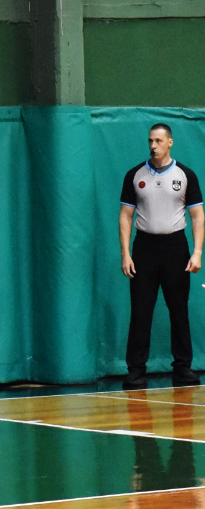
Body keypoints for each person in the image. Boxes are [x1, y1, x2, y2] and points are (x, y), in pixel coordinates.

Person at [119, 123, 203, 389]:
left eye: (158, 141)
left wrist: (197, 251)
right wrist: (126, 253)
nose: (153, 145)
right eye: (150, 141)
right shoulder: (135, 175)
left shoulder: (185, 175)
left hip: (176, 248)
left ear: (170, 143)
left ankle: (183, 369)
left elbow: (197, 215)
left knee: (178, 310)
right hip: (143, 248)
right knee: (141, 311)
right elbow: (126, 216)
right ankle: (135, 371)